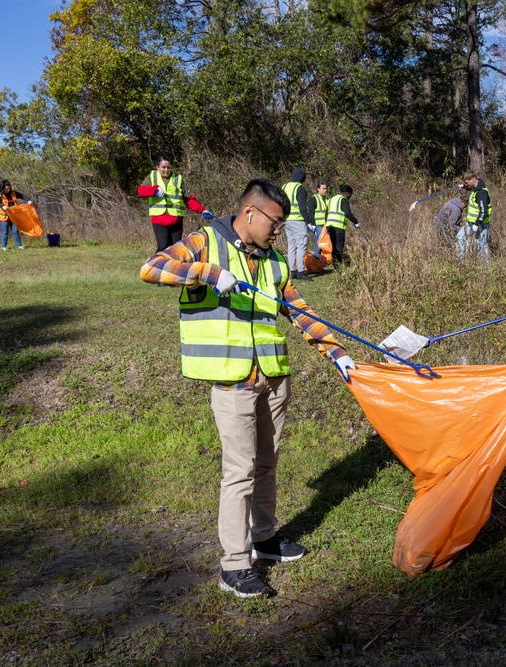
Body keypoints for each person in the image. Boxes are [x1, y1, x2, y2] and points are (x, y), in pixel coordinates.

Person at [139, 178, 355, 598]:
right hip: (232, 377)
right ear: (250, 213)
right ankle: (234, 566)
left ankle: (266, 540)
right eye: (275, 222)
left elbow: (298, 309)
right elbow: (151, 268)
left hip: (273, 376)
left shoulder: (273, 261)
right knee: (239, 471)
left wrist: (336, 351)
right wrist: (206, 274)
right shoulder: (205, 243)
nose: (279, 231)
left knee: (267, 462)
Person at [137, 156, 213, 253]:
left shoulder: (178, 178)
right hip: (159, 219)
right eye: (163, 167)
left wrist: (202, 210)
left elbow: (188, 199)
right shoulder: (152, 177)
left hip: (176, 219)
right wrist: (154, 190)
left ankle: (174, 267)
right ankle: (155, 266)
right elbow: (140, 191)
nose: (166, 170)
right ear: (157, 167)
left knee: (176, 248)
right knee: (163, 246)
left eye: (168, 167)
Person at [281, 168, 313, 282]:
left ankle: (292, 271)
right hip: (298, 221)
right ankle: (301, 272)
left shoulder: (284, 187)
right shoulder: (300, 188)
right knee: (301, 246)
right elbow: (303, 208)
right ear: (302, 178)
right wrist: (309, 222)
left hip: (287, 220)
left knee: (291, 246)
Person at [456, 170, 492, 259]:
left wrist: (477, 224)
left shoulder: (481, 193)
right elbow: (469, 187)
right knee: (460, 237)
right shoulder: (475, 186)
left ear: (473, 179)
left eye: (467, 182)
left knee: (481, 244)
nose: (466, 184)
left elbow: (483, 211)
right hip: (471, 222)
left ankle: (487, 267)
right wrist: (463, 186)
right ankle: (459, 259)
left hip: (481, 223)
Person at [326, 184, 360, 266]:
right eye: (350, 195)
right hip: (338, 225)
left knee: (333, 245)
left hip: (329, 225)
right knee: (339, 245)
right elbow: (347, 213)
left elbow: (326, 213)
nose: (350, 197)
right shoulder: (344, 200)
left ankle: (334, 264)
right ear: (348, 193)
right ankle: (338, 264)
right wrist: (355, 221)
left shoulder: (331, 199)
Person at [0, 180, 29, 251]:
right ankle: (4, 247)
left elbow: (22, 196)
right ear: (3, 188)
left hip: (13, 215)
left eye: (9, 188)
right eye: (6, 189)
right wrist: (2, 206)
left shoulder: (13, 193)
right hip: (3, 216)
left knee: (15, 231)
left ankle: (20, 246)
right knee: (5, 232)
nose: (8, 190)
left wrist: (28, 200)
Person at [308, 182, 329, 253]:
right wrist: (312, 224)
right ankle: (315, 260)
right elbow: (311, 213)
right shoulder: (314, 199)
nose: (325, 190)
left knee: (324, 244)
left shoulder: (326, 199)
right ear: (318, 189)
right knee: (319, 243)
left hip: (325, 225)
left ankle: (322, 260)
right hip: (318, 225)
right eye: (323, 189)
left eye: (326, 189)